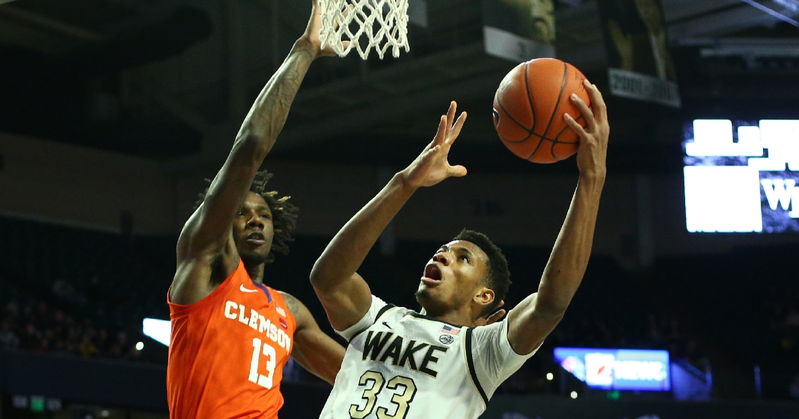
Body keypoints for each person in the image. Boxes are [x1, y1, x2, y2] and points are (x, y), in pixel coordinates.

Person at [310, 81, 609, 418]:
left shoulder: (481, 352)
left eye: (462, 258)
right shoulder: (380, 319)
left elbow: (550, 303)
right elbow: (328, 279)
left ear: (484, 296)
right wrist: (405, 183)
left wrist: (592, 178)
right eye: (443, 250)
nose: (442, 256)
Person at [166, 2, 346, 417]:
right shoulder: (205, 267)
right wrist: (304, 50)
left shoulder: (289, 310)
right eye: (242, 212)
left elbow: (355, 375)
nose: (254, 221)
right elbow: (250, 148)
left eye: (263, 215)